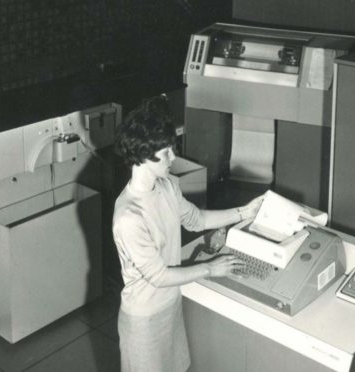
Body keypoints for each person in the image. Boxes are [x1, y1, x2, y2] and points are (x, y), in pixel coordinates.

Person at [112, 95, 263, 372]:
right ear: (143, 153)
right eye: (166, 152)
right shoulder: (128, 216)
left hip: (170, 305)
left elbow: (195, 219)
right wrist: (209, 269)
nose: (173, 157)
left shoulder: (167, 185)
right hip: (143, 319)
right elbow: (158, 276)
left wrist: (244, 213)